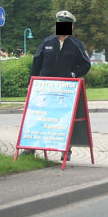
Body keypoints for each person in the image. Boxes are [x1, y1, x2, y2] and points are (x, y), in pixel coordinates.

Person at [26, 10, 92, 160]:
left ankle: (65, 150)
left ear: (71, 27)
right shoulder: (47, 42)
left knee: (64, 119)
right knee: (38, 117)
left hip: (65, 89)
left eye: (66, 24)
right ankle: (30, 147)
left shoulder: (76, 45)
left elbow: (85, 65)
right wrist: (31, 82)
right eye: (60, 24)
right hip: (45, 88)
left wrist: (73, 75)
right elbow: (36, 62)